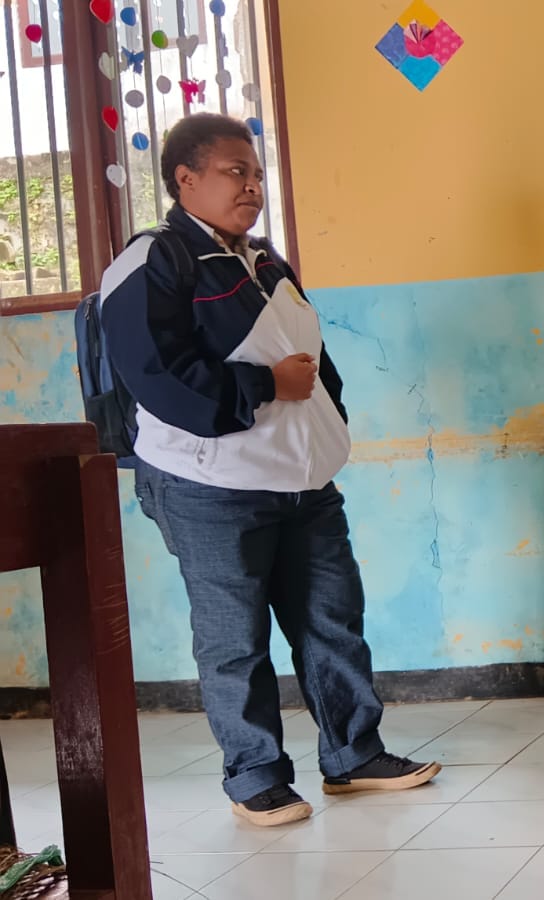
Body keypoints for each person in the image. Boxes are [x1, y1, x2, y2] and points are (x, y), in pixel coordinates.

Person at [99, 114, 440, 827]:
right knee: (235, 638)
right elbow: (156, 375)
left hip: (302, 483)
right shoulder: (154, 260)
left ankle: (353, 756)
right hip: (209, 487)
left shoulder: (264, 262)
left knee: (332, 619)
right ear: (185, 179)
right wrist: (263, 387)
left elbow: (312, 364)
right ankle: (255, 776)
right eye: (235, 172)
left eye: (257, 173)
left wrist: (327, 423)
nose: (252, 186)